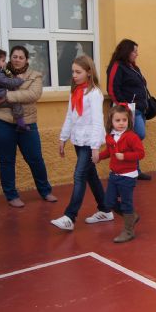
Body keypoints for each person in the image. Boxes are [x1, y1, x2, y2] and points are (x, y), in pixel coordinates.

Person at [0, 45, 56, 208]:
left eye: (21, 57)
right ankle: (11, 195)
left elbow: (32, 95)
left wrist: (4, 97)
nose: (17, 60)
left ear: (26, 59)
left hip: (27, 123)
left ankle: (45, 191)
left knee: (36, 159)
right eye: (14, 56)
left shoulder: (35, 75)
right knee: (7, 160)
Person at [51, 56, 110, 231]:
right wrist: (63, 138)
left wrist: (94, 147)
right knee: (91, 176)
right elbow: (70, 116)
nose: (74, 75)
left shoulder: (94, 94)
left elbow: (97, 122)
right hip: (78, 139)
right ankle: (106, 209)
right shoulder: (75, 91)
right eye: (73, 72)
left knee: (79, 176)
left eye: (78, 72)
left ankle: (70, 216)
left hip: (89, 141)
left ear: (89, 72)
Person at [97, 105, 145, 243]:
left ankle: (129, 231)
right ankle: (132, 217)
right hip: (114, 175)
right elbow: (109, 152)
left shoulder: (132, 137)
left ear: (128, 121)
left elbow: (140, 154)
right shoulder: (110, 136)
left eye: (124, 120)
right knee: (108, 202)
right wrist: (99, 157)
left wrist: (125, 156)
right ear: (111, 121)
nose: (121, 123)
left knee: (126, 203)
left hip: (128, 176)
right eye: (117, 120)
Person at [106, 39, 152, 180]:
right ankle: (125, 168)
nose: (137, 54)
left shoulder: (133, 67)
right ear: (126, 51)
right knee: (138, 136)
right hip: (129, 110)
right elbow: (112, 89)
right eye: (134, 51)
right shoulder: (117, 66)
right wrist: (122, 107)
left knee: (134, 139)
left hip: (139, 108)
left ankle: (134, 170)